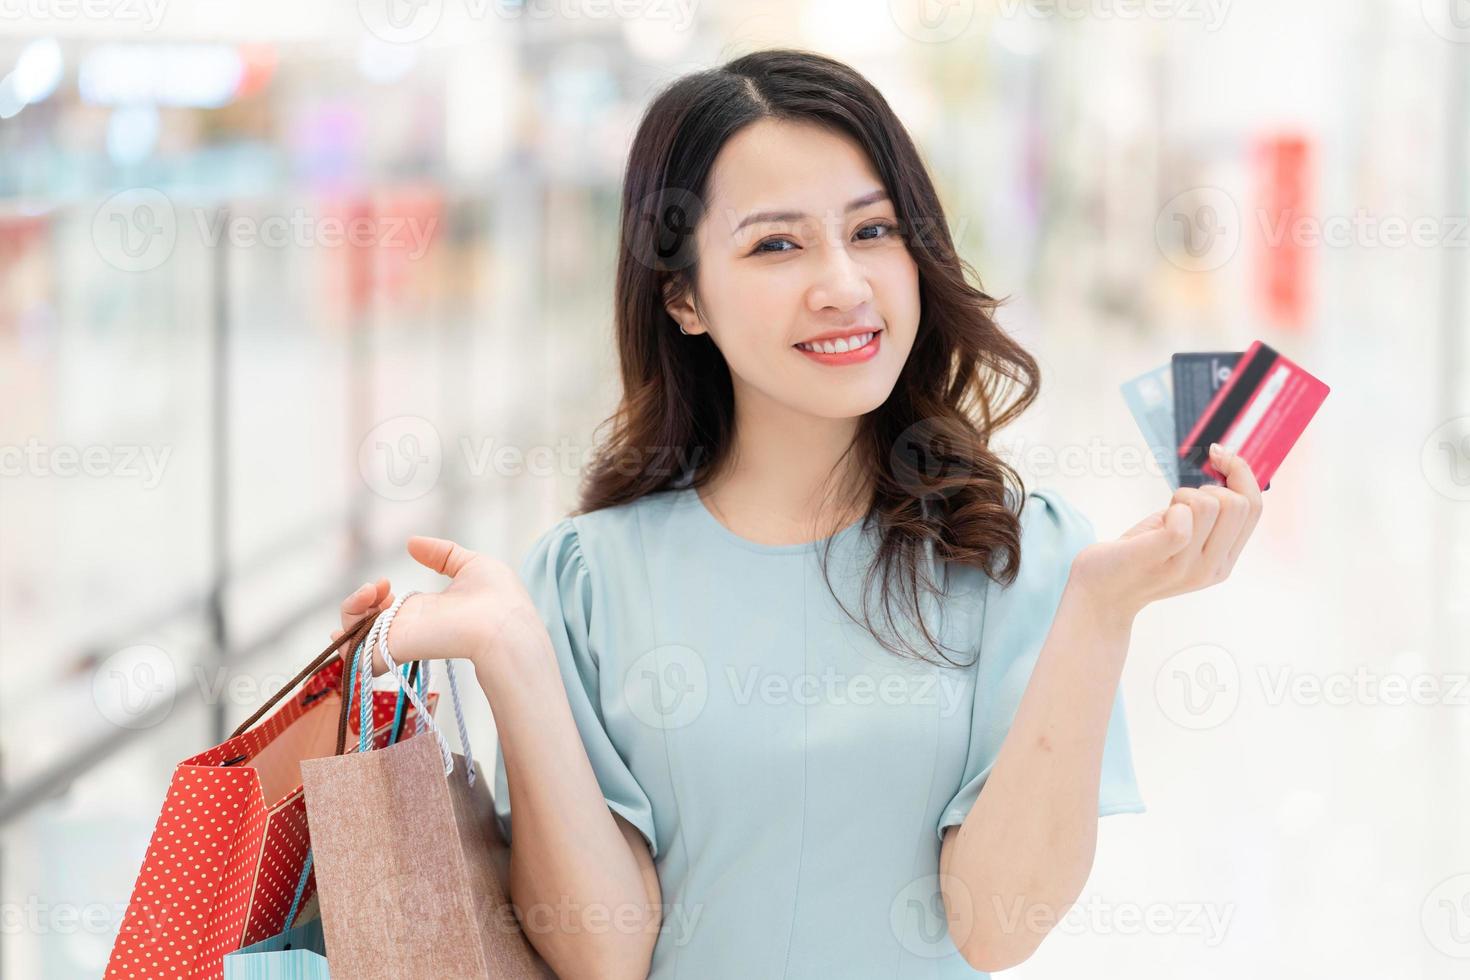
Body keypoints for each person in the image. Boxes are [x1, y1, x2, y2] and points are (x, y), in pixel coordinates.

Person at [330, 48, 1262, 980]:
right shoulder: (584, 578)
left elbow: (997, 927)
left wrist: (1101, 612)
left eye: (873, 231)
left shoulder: (1017, 551)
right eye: (777, 244)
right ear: (683, 295)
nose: (844, 286)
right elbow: (603, 953)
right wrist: (512, 659)